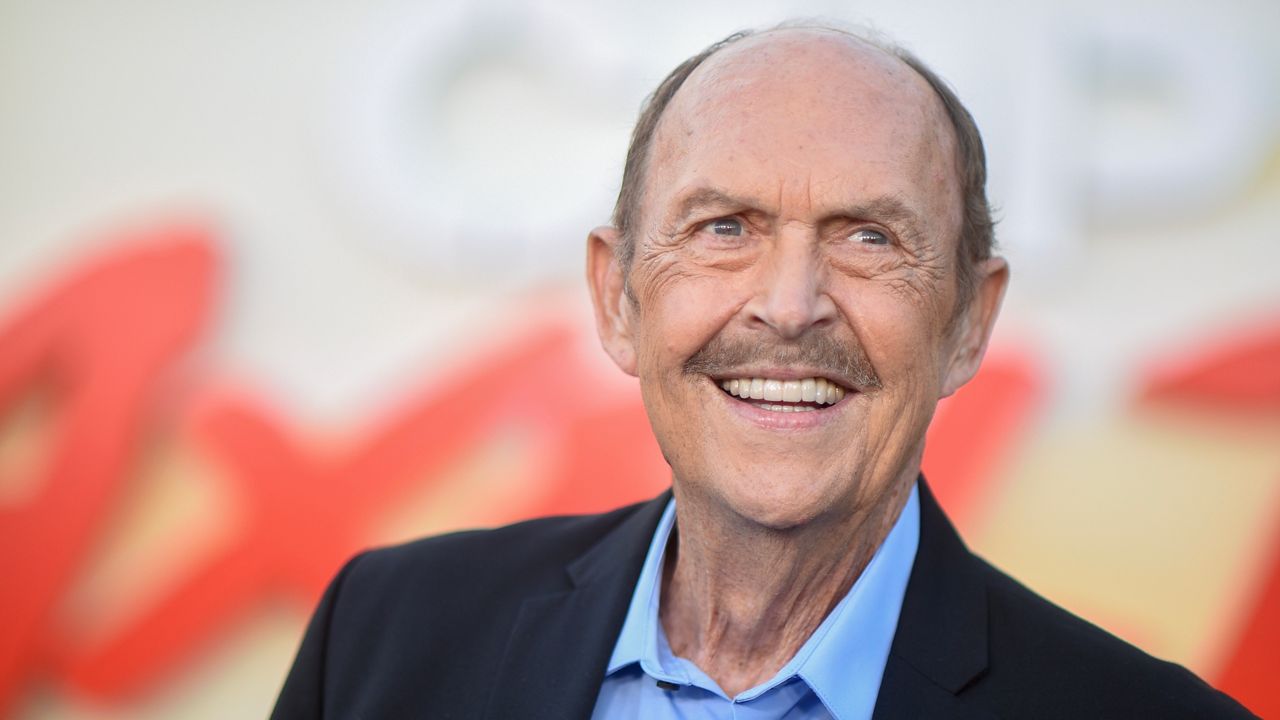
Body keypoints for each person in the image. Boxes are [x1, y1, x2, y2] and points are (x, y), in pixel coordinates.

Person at [270, 23, 1255, 719]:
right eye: (723, 229)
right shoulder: (387, 634)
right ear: (617, 296)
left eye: (869, 237)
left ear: (965, 322)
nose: (787, 305)